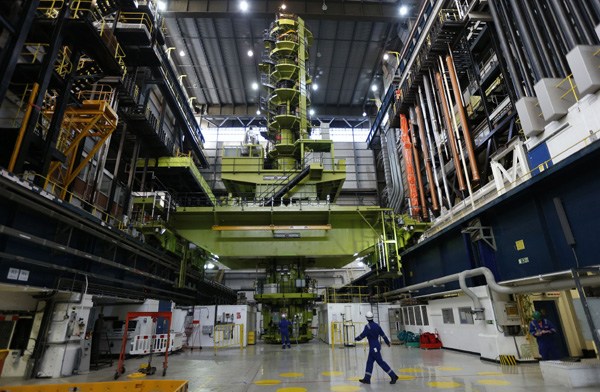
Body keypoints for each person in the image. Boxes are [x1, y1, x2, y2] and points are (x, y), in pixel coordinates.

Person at [355, 311, 399, 384]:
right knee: (369, 362)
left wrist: (356, 338)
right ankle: (367, 379)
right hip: (376, 345)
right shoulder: (377, 326)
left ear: (367, 318)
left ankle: (393, 376)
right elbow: (383, 335)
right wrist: (387, 342)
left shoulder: (367, 327)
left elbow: (362, 335)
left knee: (381, 362)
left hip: (373, 348)